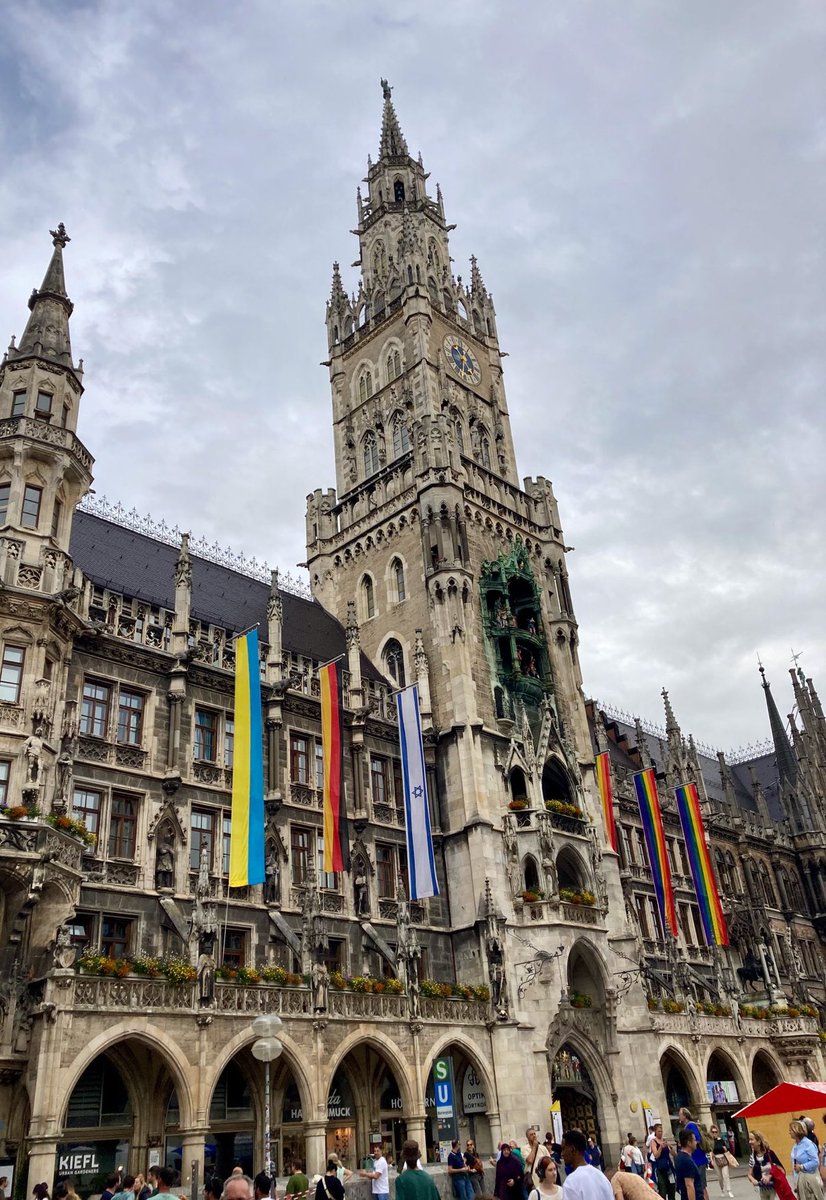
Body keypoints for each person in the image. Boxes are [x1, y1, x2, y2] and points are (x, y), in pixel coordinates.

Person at [560, 1129, 613, 1200]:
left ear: (572, 1149)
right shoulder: (601, 1176)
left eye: (563, 1149)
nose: (562, 1154)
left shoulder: (571, 1182)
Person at [678, 1109, 709, 1200]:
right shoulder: (686, 1126)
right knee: (698, 1185)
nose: (679, 1117)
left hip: (698, 1159)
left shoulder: (691, 1125)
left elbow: (697, 1139)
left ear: (685, 1116)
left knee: (701, 1186)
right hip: (695, 1159)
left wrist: (688, 1145)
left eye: (680, 1115)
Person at [789, 1120, 821, 1200]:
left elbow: (815, 1161)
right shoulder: (795, 1146)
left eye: (791, 1130)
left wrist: (802, 1167)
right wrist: (796, 1184)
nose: (789, 1132)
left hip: (810, 1181)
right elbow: (795, 1164)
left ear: (797, 1130)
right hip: (800, 1181)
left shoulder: (808, 1144)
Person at [650, 1124, 676, 1200]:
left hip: (669, 1167)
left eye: (661, 1131)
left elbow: (674, 1155)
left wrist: (671, 1148)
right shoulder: (653, 1141)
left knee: (672, 1188)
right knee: (662, 1190)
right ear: (655, 1131)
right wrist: (660, 1147)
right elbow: (656, 1155)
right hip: (660, 1168)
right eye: (659, 1131)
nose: (660, 1133)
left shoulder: (665, 1141)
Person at [675, 1129, 702, 1200]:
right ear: (689, 1143)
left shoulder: (680, 1156)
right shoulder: (686, 1161)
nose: (696, 1142)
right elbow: (689, 1185)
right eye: (694, 1140)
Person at [709, 1125, 734, 1198]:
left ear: (718, 1132)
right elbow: (711, 1151)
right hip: (715, 1159)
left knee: (726, 1175)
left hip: (723, 1158)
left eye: (716, 1132)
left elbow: (726, 1149)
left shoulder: (721, 1140)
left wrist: (725, 1148)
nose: (714, 1133)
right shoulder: (711, 1141)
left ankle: (729, 1190)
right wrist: (711, 1160)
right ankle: (722, 1190)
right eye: (713, 1132)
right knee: (719, 1177)